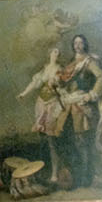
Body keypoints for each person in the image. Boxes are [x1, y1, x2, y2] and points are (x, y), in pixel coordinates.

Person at [60, 34, 102, 189]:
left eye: (80, 43)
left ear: (85, 45)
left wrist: (91, 94)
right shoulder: (71, 64)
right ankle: (75, 177)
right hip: (69, 106)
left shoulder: (89, 61)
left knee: (83, 142)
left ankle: (86, 177)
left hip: (82, 106)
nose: (78, 45)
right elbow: (64, 82)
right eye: (75, 43)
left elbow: (101, 77)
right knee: (70, 142)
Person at [17, 46, 69, 183]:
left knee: (52, 141)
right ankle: (41, 171)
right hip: (41, 103)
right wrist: (23, 94)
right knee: (42, 139)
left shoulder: (62, 69)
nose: (56, 54)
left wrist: (57, 84)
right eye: (54, 51)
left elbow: (64, 87)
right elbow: (35, 83)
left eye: (58, 52)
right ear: (50, 53)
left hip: (53, 105)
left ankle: (55, 173)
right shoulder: (45, 69)